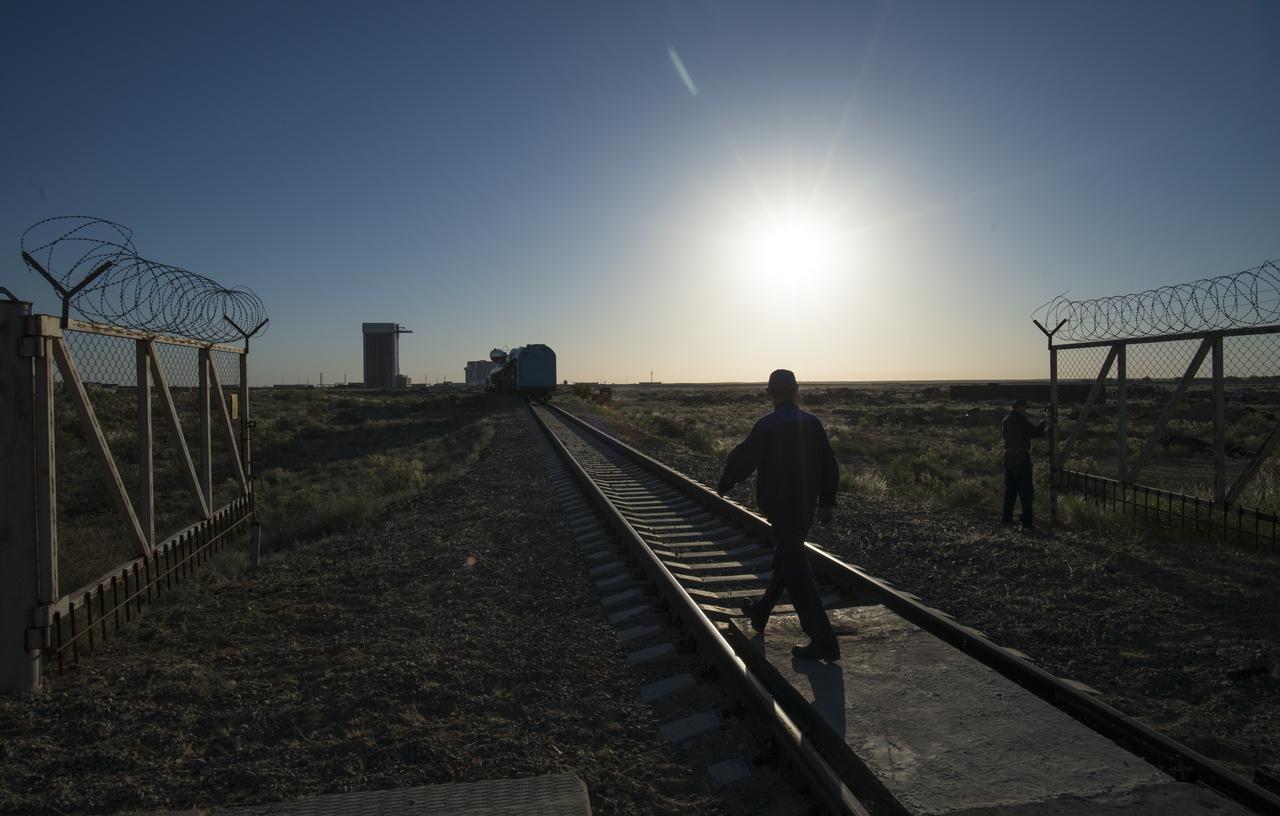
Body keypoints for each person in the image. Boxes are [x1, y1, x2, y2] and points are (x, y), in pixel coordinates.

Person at [716, 369, 841, 661]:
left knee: (796, 569)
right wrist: (827, 502)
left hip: (780, 507)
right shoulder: (812, 423)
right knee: (788, 558)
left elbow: (745, 458)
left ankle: (823, 640)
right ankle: (760, 612)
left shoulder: (767, 425)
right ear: (796, 390)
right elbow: (829, 465)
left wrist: (726, 482)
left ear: (769, 393)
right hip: (805, 507)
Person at [1002, 398, 1050, 529]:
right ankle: (1027, 522)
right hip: (1020, 456)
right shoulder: (1019, 420)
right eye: (1025, 408)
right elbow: (1035, 432)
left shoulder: (1007, 419)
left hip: (1008, 455)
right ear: (1020, 407)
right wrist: (1044, 422)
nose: (1026, 410)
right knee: (1026, 490)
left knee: (1010, 489)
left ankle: (1006, 518)